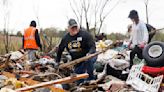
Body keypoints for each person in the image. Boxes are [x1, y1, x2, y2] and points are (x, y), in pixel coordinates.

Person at [56, 19, 97, 84]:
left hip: (88, 56)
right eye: (72, 27)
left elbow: (93, 46)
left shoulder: (85, 35)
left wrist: (90, 53)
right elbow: (60, 50)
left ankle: (91, 79)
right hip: (77, 60)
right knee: (79, 80)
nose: (74, 29)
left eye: (75, 27)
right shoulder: (65, 38)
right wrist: (57, 61)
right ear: (68, 28)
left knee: (88, 61)